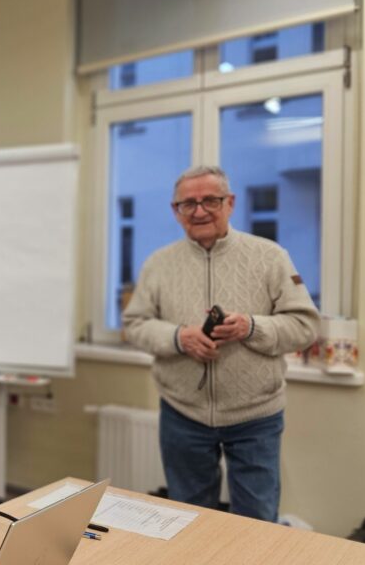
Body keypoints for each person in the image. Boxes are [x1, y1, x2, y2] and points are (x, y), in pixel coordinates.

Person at [123, 165, 319, 523]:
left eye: (210, 201)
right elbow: (135, 326)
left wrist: (250, 327)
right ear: (175, 211)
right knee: (187, 520)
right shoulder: (158, 264)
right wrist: (179, 338)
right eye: (188, 204)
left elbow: (305, 326)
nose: (199, 211)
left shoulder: (270, 256)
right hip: (182, 414)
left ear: (230, 203)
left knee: (256, 522)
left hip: (255, 416)